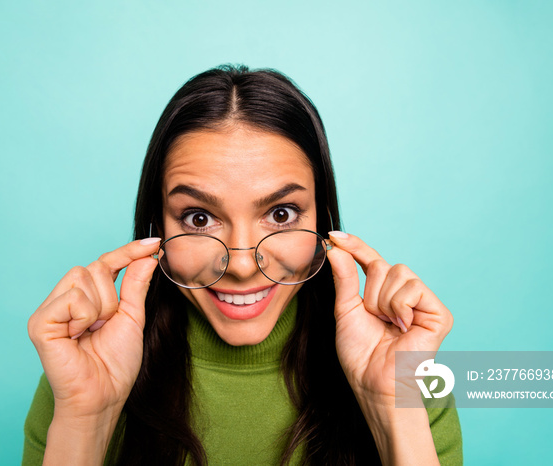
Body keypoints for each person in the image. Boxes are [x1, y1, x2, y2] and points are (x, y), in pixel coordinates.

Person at [23, 65, 462, 465]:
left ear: (322, 220)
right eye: (199, 219)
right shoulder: (84, 373)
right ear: (156, 227)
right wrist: (86, 418)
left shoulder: (403, 366)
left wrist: (391, 406)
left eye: (281, 214)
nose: (242, 266)